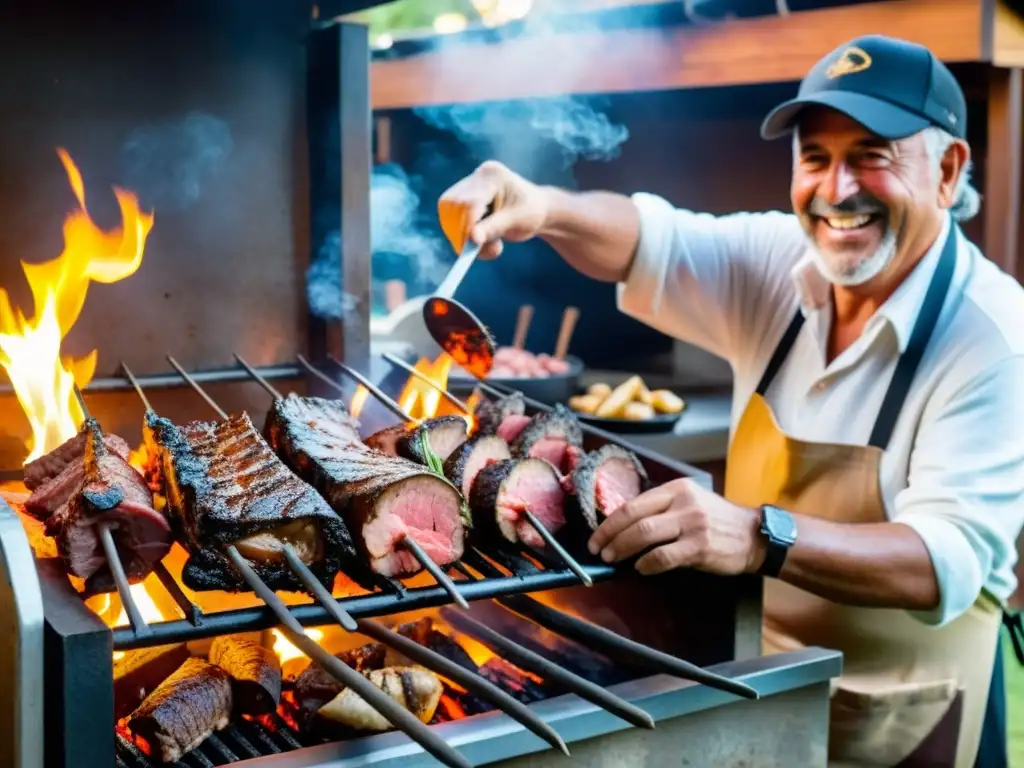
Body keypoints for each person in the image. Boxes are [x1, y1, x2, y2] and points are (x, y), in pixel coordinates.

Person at [437, 34, 1024, 767]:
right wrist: (543, 206)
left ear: (947, 171)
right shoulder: (782, 263)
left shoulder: (994, 334)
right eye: (815, 157)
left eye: (872, 154)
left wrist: (757, 535)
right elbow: (647, 239)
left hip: (916, 705)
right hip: (767, 682)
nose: (836, 189)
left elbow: (946, 558)